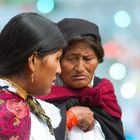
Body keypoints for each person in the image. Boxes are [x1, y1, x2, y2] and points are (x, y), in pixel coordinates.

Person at [0, 13, 94, 140]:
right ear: (33, 61)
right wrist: (72, 117)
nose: (59, 70)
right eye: (57, 59)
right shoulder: (10, 113)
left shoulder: (19, 98)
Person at [39, 18, 125, 140]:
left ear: (98, 60)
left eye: (88, 58)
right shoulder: (42, 93)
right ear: (57, 59)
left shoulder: (103, 93)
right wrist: (71, 118)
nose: (80, 68)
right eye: (71, 58)